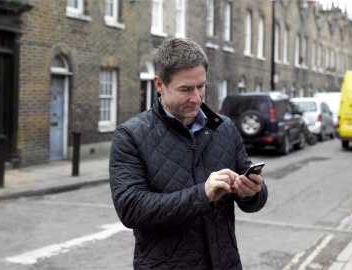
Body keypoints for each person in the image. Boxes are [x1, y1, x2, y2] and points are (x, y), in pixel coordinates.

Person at [109, 37, 268, 270]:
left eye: (201, 86)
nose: (197, 98)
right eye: (185, 89)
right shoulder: (130, 136)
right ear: (159, 85)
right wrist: (203, 194)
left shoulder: (224, 127)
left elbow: (254, 199)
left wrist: (252, 192)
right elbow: (131, 208)